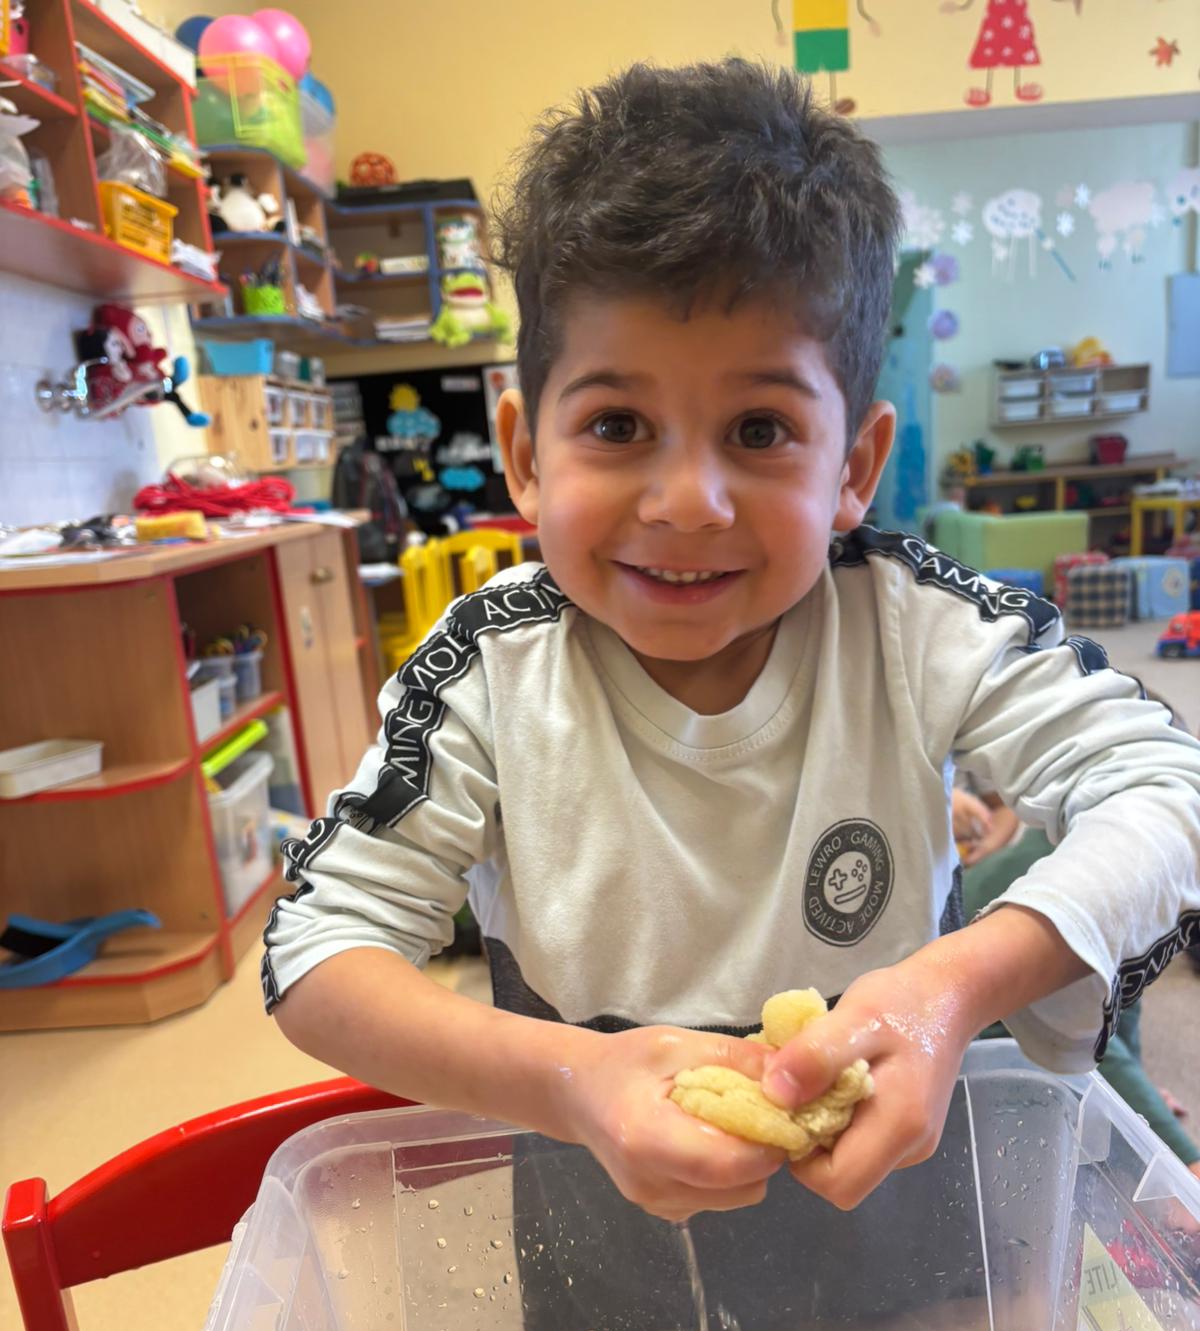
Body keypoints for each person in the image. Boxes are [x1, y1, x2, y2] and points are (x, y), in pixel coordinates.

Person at [264, 61, 1200, 1254]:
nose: (688, 501)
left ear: (854, 467)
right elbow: (317, 950)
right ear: (526, 452)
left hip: (900, 1221)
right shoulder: (490, 667)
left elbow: (1168, 789)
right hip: (603, 1233)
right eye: (617, 425)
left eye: (760, 430)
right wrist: (568, 1082)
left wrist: (956, 985)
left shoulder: (916, 624)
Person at [953, 788, 1200, 1178]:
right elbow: (1085, 1031)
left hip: (1033, 998)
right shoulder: (1105, 882)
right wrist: (1179, 1156)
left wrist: (1139, 1102)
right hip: (977, 1039)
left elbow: (1126, 991)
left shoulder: (1137, 856)